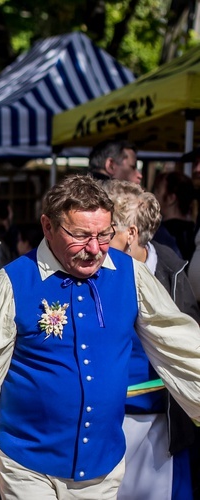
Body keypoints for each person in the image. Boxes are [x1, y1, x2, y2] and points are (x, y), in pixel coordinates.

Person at [0, 175, 200, 500]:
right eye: (80, 235)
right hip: (28, 467)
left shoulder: (132, 277)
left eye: (104, 234)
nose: (94, 248)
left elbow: (180, 347)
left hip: (103, 468)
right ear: (47, 226)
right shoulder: (9, 285)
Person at [102, 179, 198, 500]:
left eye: (106, 230)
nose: (95, 241)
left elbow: (187, 347)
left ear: (130, 234)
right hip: (106, 419)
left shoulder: (171, 271)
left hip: (162, 424)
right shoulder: (91, 271)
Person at [153, 171, 196, 261]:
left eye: (158, 191)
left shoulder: (157, 234)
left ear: (171, 198)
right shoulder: (195, 233)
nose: (154, 196)